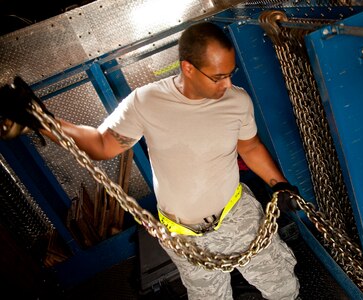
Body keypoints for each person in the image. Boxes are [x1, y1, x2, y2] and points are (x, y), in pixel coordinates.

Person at [1, 22, 300, 299]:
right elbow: (102, 145)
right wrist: (44, 122)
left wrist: (279, 184)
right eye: (218, 77)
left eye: (230, 74)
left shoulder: (237, 101)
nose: (226, 85)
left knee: (282, 285)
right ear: (188, 68)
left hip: (238, 217)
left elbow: (249, 147)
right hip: (183, 235)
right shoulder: (146, 102)